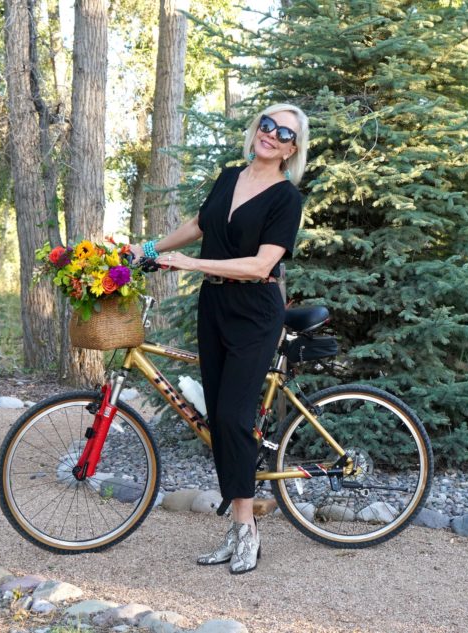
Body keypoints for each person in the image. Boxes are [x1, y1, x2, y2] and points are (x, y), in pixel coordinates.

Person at [140, 104, 309, 574]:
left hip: (255, 312)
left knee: (235, 417)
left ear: (292, 148)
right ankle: (237, 529)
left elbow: (260, 265)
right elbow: (199, 227)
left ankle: (249, 531)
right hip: (214, 307)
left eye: (284, 133)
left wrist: (188, 265)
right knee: (220, 419)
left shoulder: (285, 199)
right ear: (256, 129)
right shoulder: (229, 175)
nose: (271, 135)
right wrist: (147, 250)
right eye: (267, 125)